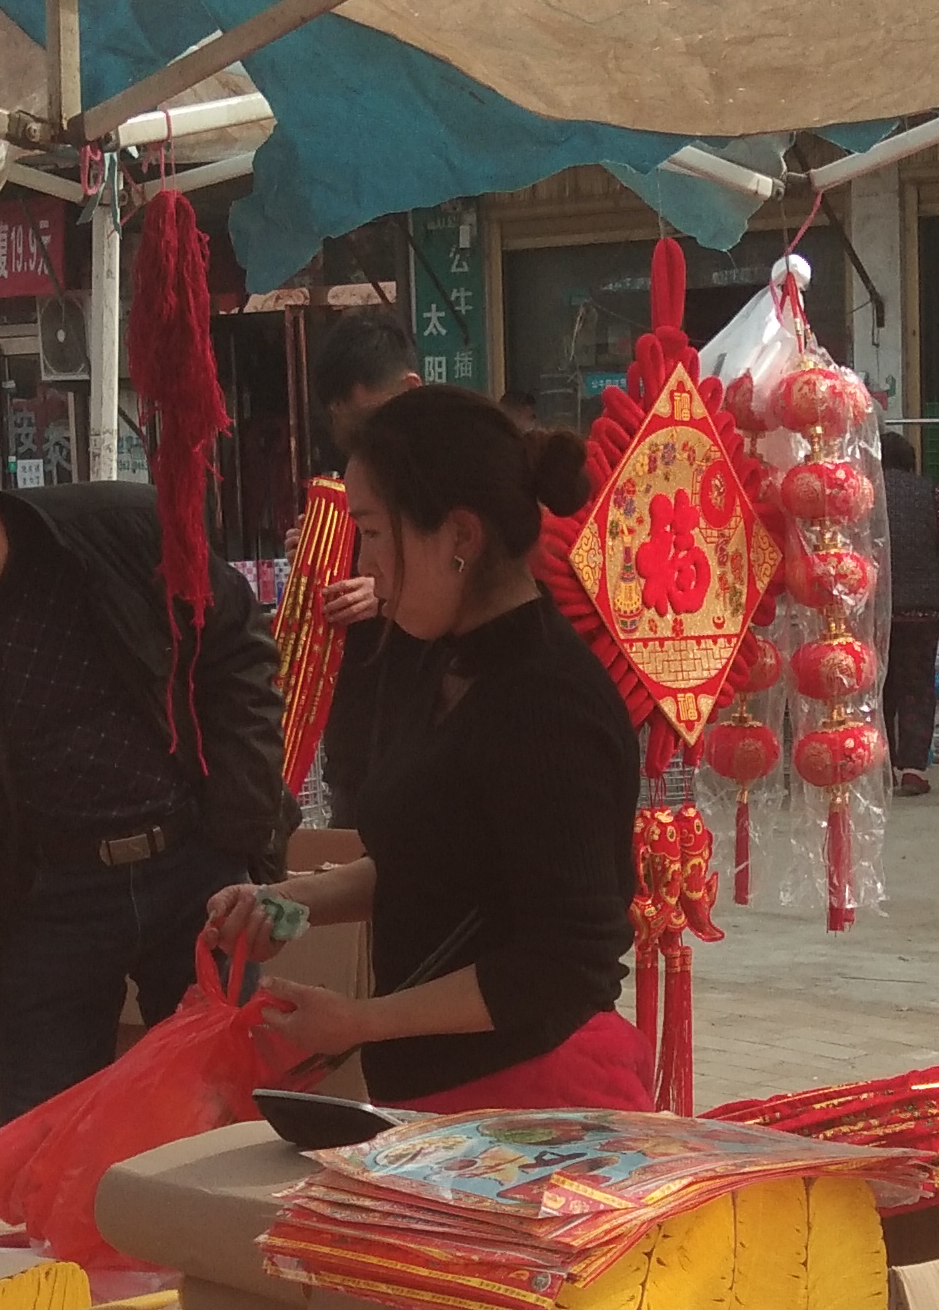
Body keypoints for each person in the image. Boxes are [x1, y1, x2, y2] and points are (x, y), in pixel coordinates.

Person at [206, 388, 641, 1109]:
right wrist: (292, 899)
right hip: (440, 1094)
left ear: (460, 535)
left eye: (374, 533)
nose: (365, 563)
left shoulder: (549, 703)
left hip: (540, 1098)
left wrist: (359, 1021)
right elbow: (436, 862)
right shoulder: (435, 657)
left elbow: (565, 961)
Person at [0, 448, 287, 1124]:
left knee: (223, 1106)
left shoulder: (123, 530)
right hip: (44, 889)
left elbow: (238, 659)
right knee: (40, 1125)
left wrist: (241, 832)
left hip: (193, 860)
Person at [309, 304, 431, 827]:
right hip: (358, 749)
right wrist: (317, 555)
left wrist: (385, 596)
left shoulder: (454, 475)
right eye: (342, 425)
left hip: (430, 748)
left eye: (365, 419)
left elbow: (477, 586)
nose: (359, 441)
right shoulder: (356, 474)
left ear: (410, 388)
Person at [879, 429, 939, 792]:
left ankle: (882, 767)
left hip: (875, 609)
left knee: (879, 688)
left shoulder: (864, 492)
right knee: (917, 687)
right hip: (921, 609)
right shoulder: (929, 492)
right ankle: (912, 770)